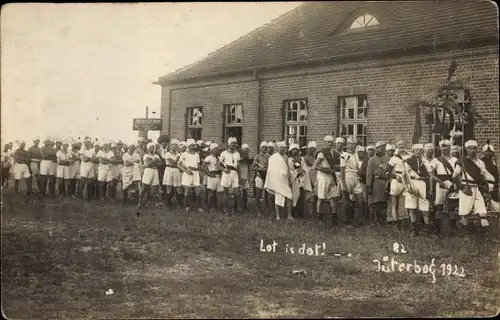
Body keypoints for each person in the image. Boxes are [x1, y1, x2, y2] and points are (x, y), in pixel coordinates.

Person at [403, 144, 443, 236]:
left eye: (420, 150)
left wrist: (436, 182)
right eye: (416, 150)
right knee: (411, 207)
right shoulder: (408, 161)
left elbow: (430, 174)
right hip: (412, 183)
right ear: (413, 150)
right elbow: (403, 175)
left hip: (422, 183)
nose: (418, 151)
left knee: (424, 208)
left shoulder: (425, 161)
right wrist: (406, 187)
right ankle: (414, 229)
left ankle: (427, 229)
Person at [452, 140, 490, 232]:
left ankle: (484, 234)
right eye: (470, 148)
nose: (472, 150)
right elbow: (454, 177)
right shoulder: (463, 161)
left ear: (477, 149)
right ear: (466, 149)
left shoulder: (481, 163)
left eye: (474, 148)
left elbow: (484, 178)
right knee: (464, 212)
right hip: (466, 188)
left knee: (483, 213)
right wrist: (462, 188)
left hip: (477, 188)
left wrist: (486, 191)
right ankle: (465, 233)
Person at [430, 139, 459, 235]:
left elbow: (458, 173)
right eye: (443, 146)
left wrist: (455, 183)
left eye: (447, 146)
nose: (445, 148)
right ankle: (437, 228)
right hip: (441, 183)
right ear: (440, 148)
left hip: (452, 182)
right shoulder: (436, 160)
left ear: (449, 147)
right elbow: (432, 174)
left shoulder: (455, 160)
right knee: (439, 206)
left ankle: (453, 229)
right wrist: (439, 181)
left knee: (451, 207)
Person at [264, 141, 293, 220]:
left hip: (285, 179)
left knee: (289, 196)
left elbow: (287, 168)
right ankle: (278, 216)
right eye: (281, 148)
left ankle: (289, 215)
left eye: (284, 148)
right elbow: (270, 170)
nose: (283, 150)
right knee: (277, 196)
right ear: (278, 148)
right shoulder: (273, 157)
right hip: (277, 180)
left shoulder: (286, 157)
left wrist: (289, 179)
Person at [340, 137, 365, 227]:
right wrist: (343, 183)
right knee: (346, 200)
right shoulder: (344, 154)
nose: (353, 146)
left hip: (356, 177)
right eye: (352, 144)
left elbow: (358, 166)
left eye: (355, 144)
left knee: (361, 200)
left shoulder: (356, 154)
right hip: (348, 176)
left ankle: (360, 221)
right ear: (348, 144)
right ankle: (347, 221)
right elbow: (342, 169)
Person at [314, 135, 340, 220]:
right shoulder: (321, 153)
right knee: (321, 197)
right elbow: (315, 166)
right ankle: (318, 215)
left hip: (331, 176)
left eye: (332, 142)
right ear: (325, 142)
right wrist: (326, 170)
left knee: (333, 196)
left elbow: (334, 166)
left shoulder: (333, 153)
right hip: (323, 177)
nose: (330, 143)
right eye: (328, 142)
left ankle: (334, 215)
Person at [366, 141, 390, 224]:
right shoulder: (372, 159)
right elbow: (369, 174)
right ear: (377, 148)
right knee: (374, 202)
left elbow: (390, 171)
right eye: (380, 147)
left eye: (384, 147)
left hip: (385, 183)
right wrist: (369, 185)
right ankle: (372, 221)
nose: (382, 149)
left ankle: (382, 221)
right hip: (375, 182)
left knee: (383, 202)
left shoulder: (388, 158)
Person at [178, 139, 203, 212]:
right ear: (188, 146)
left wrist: (199, 174)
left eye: (193, 145)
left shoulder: (197, 154)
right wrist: (186, 170)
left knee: (198, 190)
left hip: (195, 174)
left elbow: (198, 166)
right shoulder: (184, 154)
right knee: (187, 190)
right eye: (191, 145)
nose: (193, 146)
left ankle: (197, 206)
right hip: (188, 173)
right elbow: (178, 165)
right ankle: (187, 206)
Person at [288, 143, 312, 218]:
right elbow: (290, 170)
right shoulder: (289, 160)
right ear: (291, 151)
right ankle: (293, 212)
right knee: (293, 196)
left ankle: (300, 212)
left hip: (301, 180)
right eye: (293, 150)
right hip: (293, 180)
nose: (295, 151)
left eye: (296, 150)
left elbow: (305, 170)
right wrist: (296, 173)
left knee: (301, 197)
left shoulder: (301, 160)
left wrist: (302, 172)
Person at [387, 143, 408, 229]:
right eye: (400, 147)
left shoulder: (408, 157)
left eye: (403, 146)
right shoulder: (393, 159)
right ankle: (395, 222)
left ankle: (402, 221)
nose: (401, 148)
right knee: (394, 204)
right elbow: (387, 171)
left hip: (406, 180)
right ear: (397, 148)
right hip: (396, 181)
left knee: (403, 203)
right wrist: (395, 176)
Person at [219, 137, 242, 214]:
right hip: (226, 173)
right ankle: (225, 208)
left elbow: (238, 167)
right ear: (229, 144)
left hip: (235, 173)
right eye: (232, 143)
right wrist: (224, 169)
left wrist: (240, 176)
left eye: (235, 143)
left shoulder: (237, 154)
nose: (233, 145)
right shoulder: (223, 153)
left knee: (238, 192)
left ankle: (238, 209)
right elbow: (218, 165)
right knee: (226, 192)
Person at [138, 142, 161, 207]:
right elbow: (148, 163)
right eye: (150, 147)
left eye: (153, 147)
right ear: (148, 148)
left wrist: (152, 162)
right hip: (148, 171)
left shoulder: (156, 155)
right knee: (144, 187)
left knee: (155, 187)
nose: (152, 148)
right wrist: (155, 160)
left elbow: (160, 164)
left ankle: (154, 202)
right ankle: (140, 202)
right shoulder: (146, 155)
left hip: (155, 171)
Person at [162, 138, 183, 207]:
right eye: (173, 145)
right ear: (170, 146)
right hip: (169, 170)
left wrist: (175, 163)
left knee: (178, 186)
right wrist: (176, 161)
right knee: (169, 186)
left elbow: (178, 163)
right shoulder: (167, 154)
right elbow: (172, 162)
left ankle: (179, 203)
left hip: (176, 170)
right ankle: (167, 202)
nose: (174, 146)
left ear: (177, 146)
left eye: (175, 145)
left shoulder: (179, 154)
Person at [203, 143, 223, 212]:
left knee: (220, 192)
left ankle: (218, 206)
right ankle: (210, 207)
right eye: (215, 149)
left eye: (218, 149)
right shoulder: (208, 158)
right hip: (212, 176)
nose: (217, 150)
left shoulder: (220, 158)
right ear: (211, 150)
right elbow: (202, 167)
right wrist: (208, 174)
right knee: (212, 193)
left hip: (219, 176)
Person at [481, 141, 499, 213]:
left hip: (494, 187)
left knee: (497, 207)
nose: (489, 153)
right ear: (483, 152)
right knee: (483, 207)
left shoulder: (495, 163)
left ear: (493, 153)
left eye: (490, 152)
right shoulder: (480, 162)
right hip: (484, 186)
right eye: (487, 152)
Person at [252, 141, 269, 215]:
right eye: (263, 147)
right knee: (258, 194)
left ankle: (266, 209)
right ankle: (257, 209)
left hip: (266, 177)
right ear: (260, 148)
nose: (265, 148)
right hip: (259, 176)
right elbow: (253, 167)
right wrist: (261, 169)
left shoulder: (268, 156)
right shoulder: (257, 156)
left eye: (266, 147)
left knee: (267, 194)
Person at [303, 141, 318, 217]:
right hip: (308, 176)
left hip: (315, 175)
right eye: (311, 148)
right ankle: (308, 211)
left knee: (315, 193)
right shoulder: (305, 158)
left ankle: (314, 211)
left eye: (313, 149)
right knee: (308, 194)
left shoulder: (316, 157)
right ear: (308, 149)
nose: (312, 150)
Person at [238, 143, 252, 212]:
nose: (247, 151)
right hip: (239, 176)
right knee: (238, 192)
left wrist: (249, 176)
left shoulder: (248, 157)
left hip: (245, 176)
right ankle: (237, 206)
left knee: (245, 191)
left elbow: (249, 167)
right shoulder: (238, 156)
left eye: (248, 150)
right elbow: (237, 164)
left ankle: (245, 206)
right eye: (245, 150)